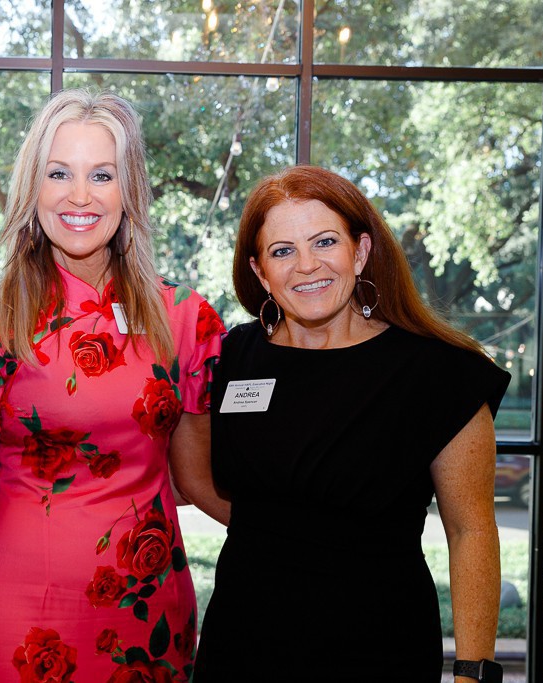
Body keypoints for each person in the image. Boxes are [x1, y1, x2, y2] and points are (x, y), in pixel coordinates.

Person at [0, 88, 231, 682]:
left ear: (130, 190)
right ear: (32, 188)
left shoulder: (185, 321)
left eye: (102, 175)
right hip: (18, 618)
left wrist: (307, 538)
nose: (80, 195)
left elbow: (196, 478)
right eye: (59, 173)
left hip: (149, 612)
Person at [194, 165, 510, 682]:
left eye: (325, 242)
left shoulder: (438, 373)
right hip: (240, 645)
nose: (307, 265)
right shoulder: (234, 357)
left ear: (360, 251)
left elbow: (470, 529)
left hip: (378, 648)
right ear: (260, 272)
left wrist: (474, 672)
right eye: (282, 251)